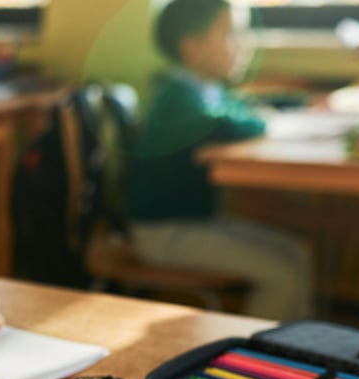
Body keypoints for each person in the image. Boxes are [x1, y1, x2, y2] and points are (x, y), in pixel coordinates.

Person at [127, 0, 313, 321]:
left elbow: (240, 109)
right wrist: (262, 119)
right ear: (193, 47)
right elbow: (226, 124)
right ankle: (261, 361)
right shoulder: (175, 95)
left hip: (195, 222)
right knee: (282, 272)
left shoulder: (205, 90)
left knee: (297, 253)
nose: (244, 44)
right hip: (164, 233)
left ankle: (300, 350)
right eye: (231, 34)